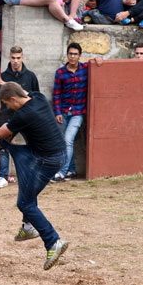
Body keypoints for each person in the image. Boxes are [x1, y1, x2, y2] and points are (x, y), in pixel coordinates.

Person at [0, 81, 69, 271]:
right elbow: (16, 89)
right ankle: (28, 226)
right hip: (54, 153)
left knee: (25, 203)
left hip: (45, 160)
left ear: (13, 99)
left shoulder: (24, 115)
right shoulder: (37, 97)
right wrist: (0, 83)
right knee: (17, 160)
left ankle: (53, 241)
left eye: (7, 104)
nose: (8, 107)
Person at [51, 43, 102, 182]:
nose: (72, 56)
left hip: (78, 112)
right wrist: (57, 112)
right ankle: (71, 170)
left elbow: (96, 63)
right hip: (63, 111)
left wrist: (97, 59)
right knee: (66, 142)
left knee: (68, 140)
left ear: (79, 56)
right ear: (67, 55)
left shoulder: (85, 69)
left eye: (75, 54)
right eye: (70, 54)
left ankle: (61, 172)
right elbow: (56, 94)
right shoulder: (60, 72)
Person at [0, 46, 39, 189]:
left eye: (18, 58)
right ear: (9, 58)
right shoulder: (3, 76)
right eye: (13, 58)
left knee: (32, 145)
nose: (16, 61)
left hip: (26, 116)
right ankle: (3, 176)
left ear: (22, 57)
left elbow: (36, 96)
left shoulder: (31, 76)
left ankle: (31, 174)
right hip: (7, 116)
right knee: (4, 145)